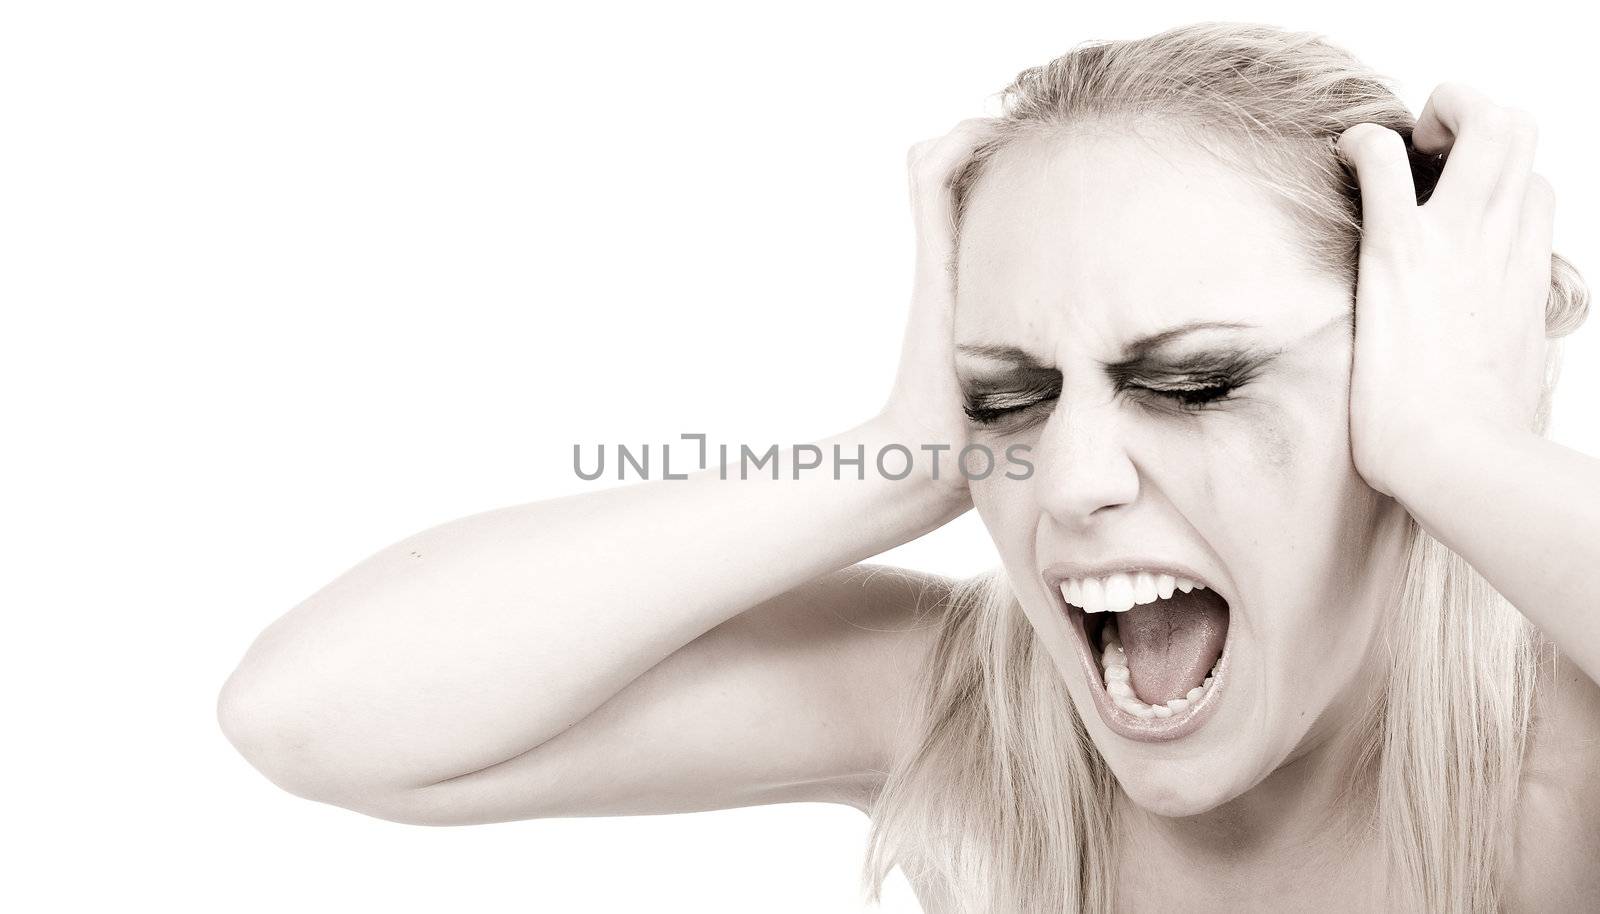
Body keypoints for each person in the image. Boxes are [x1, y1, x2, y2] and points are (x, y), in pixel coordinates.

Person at [217, 22, 1600, 913]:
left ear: (1408, 369)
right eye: (1007, 394)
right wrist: (893, 460)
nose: (1069, 483)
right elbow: (310, 709)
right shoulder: (975, 724)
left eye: (1196, 381)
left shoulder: (1564, 760)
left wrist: (1463, 451)